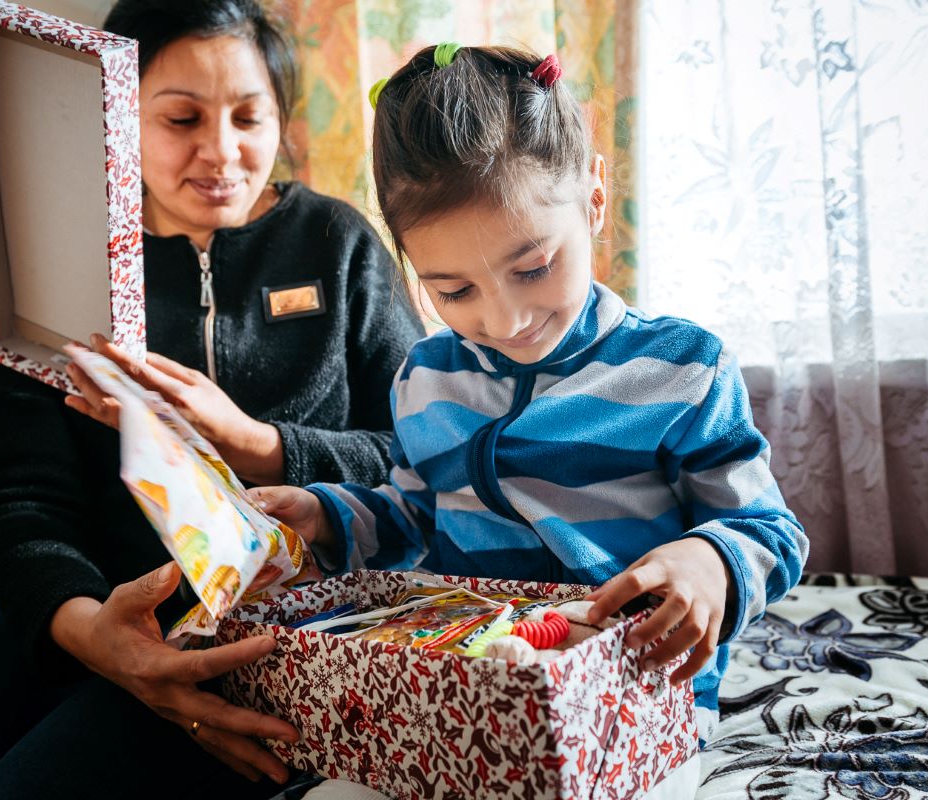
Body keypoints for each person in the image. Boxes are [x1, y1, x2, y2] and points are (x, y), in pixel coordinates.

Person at [0, 1, 423, 797]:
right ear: (118, 116)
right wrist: (89, 631)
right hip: (91, 608)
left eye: (250, 116)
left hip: (285, 628)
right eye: (180, 119)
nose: (222, 152)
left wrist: (260, 445)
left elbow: (422, 451)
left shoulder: (337, 246)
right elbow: (18, 499)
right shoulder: (56, 265)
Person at [251, 43, 809, 759]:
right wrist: (326, 514)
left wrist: (709, 562)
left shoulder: (680, 368)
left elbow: (769, 531)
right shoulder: (424, 378)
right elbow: (413, 517)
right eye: (452, 291)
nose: (506, 319)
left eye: (534, 267)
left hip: (636, 694)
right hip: (473, 687)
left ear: (594, 198)